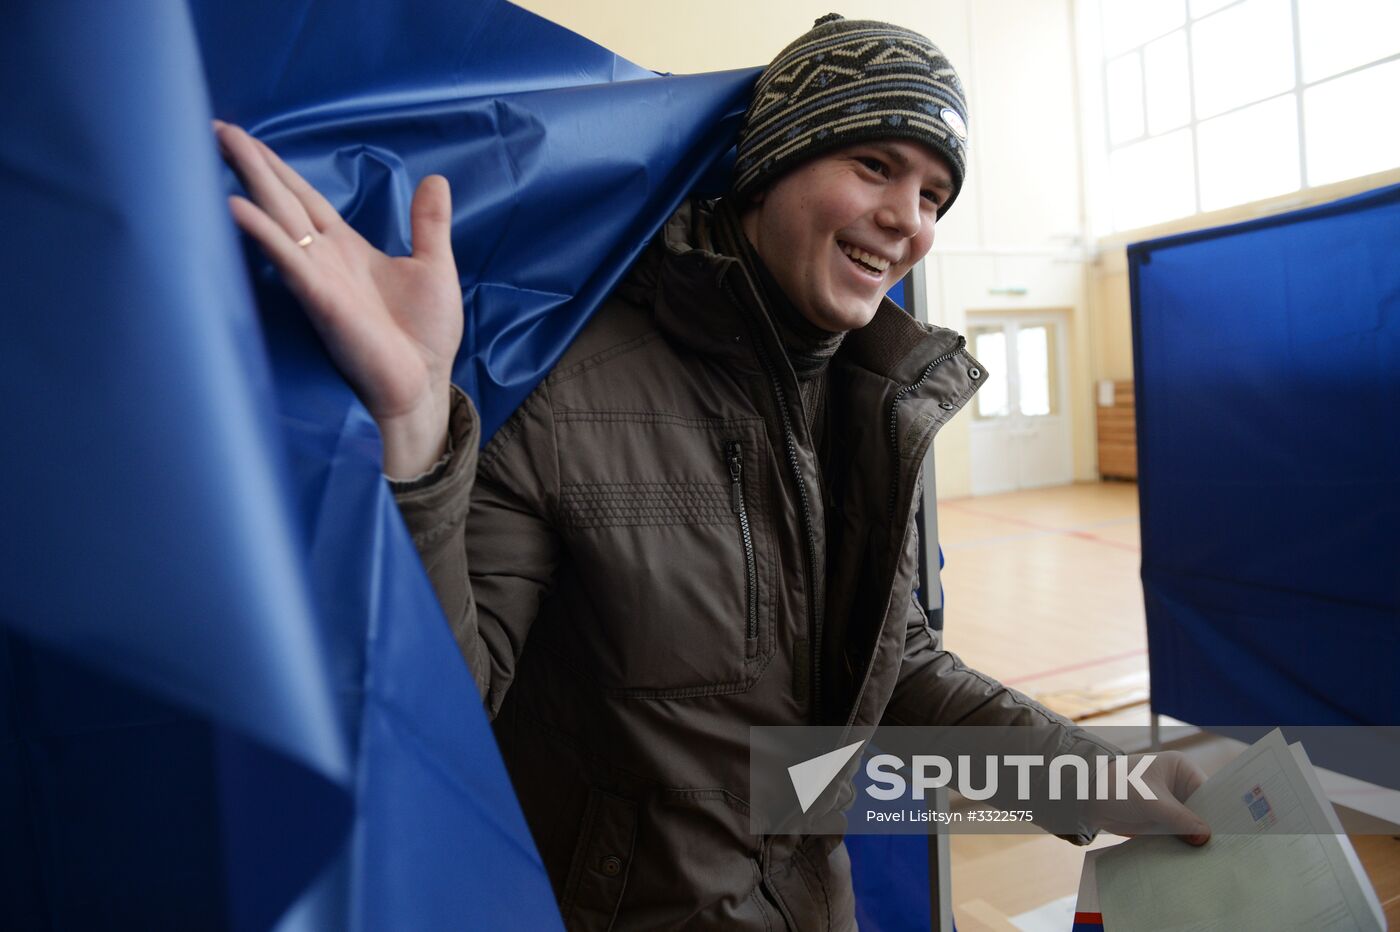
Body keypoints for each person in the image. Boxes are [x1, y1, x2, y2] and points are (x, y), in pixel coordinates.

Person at [217, 14, 1210, 931]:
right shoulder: (570, 388)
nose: (907, 219)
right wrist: (415, 422)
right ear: (769, 166)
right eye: (874, 164)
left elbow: (893, 664)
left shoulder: (870, 406)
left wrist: (1094, 781)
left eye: (933, 195)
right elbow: (446, 718)